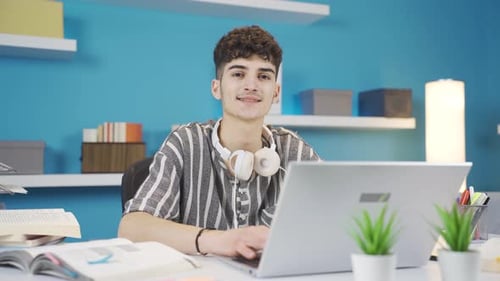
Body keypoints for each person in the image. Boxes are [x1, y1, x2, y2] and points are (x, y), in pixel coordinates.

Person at [118, 25, 320, 259]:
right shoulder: (185, 143)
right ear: (217, 88)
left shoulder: (295, 151)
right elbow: (131, 228)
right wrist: (218, 240)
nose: (251, 85)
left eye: (263, 76)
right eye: (238, 74)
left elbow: (340, 212)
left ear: (275, 92)